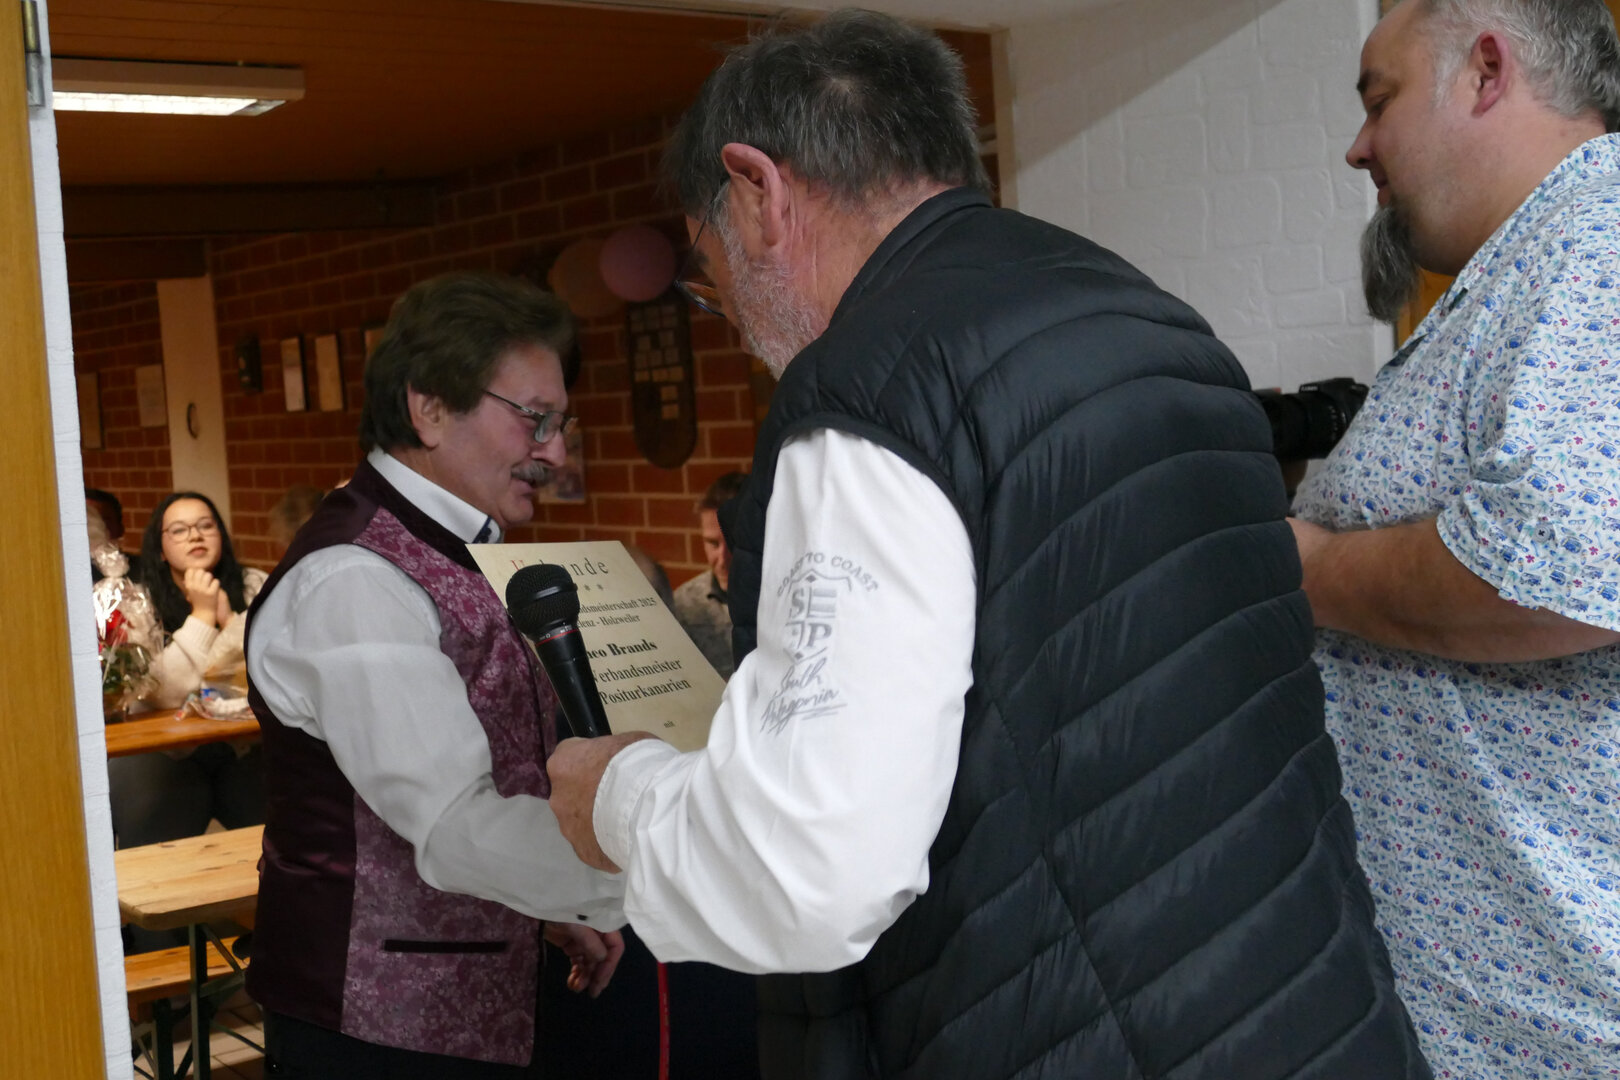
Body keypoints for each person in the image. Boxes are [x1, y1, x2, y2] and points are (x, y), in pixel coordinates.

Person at [547, 11, 1428, 1079]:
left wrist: (622, 797)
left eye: (707, 263)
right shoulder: (1149, 315)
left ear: (756, 189)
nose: (724, 303)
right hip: (1297, 997)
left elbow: (810, 868)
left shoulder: (872, 388)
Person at [1288, 1, 1620, 1073]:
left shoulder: (1599, 236)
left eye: (1379, 100)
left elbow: (1562, 562)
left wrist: (1311, 571)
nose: (1359, 147)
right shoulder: (1531, 262)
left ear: (1486, 72)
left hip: (1550, 1026)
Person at [243, 271, 625, 1079]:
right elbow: (454, 822)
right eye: (534, 419)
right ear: (429, 408)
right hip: (377, 1030)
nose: (555, 451)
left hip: (472, 1005)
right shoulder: (354, 576)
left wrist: (546, 905)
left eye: (561, 423)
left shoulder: (452, 548)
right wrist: (663, 875)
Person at [97, 490, 269, 950]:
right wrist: (201, 616)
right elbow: (159, 693)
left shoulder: (255, 585)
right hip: (163, 755)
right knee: (154, 855)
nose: (195, 535)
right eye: (179, 529)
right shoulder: (134, 601)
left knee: (288, 830)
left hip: (244, 746)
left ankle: (282, 950)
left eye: (206, 525)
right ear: (159, 547)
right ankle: (162, 967)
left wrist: (230, 622)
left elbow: (270, 669)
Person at [670, 471, 746, 678]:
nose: (722, 559)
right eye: (712, 543)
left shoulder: (785, 599)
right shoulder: (684, 603)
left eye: (733, 543)